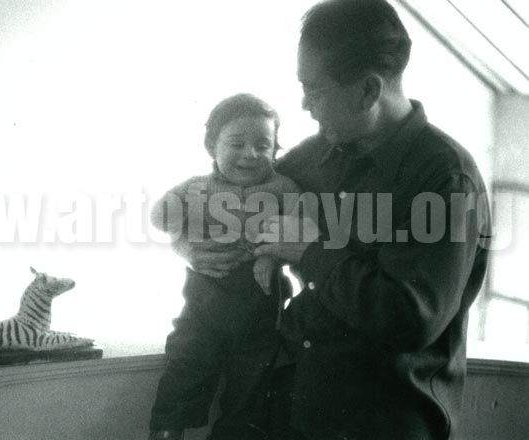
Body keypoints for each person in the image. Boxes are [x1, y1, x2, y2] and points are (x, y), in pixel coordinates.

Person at [180, 1, 491, 439]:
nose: (305, 104)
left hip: (382, 426)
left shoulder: (445, 177)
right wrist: (187, 247)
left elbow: (412, 320)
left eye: (315, 90)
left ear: (368, 91)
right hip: (289, 411)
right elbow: (230, 197)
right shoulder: (314, 154)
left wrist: (310, 251)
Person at [148, 93, 301, 440]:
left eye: (263, 145)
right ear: (212, 146)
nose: (251, 153)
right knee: (184, 369)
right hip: (204, 301)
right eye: (237, 143)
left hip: (259, 304)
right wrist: (183, 241)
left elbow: (300, 227)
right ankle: (167, 433)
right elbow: (158, 217)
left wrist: (271, 256)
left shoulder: (282, 187)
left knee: (251, 393)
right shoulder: (197, 187)